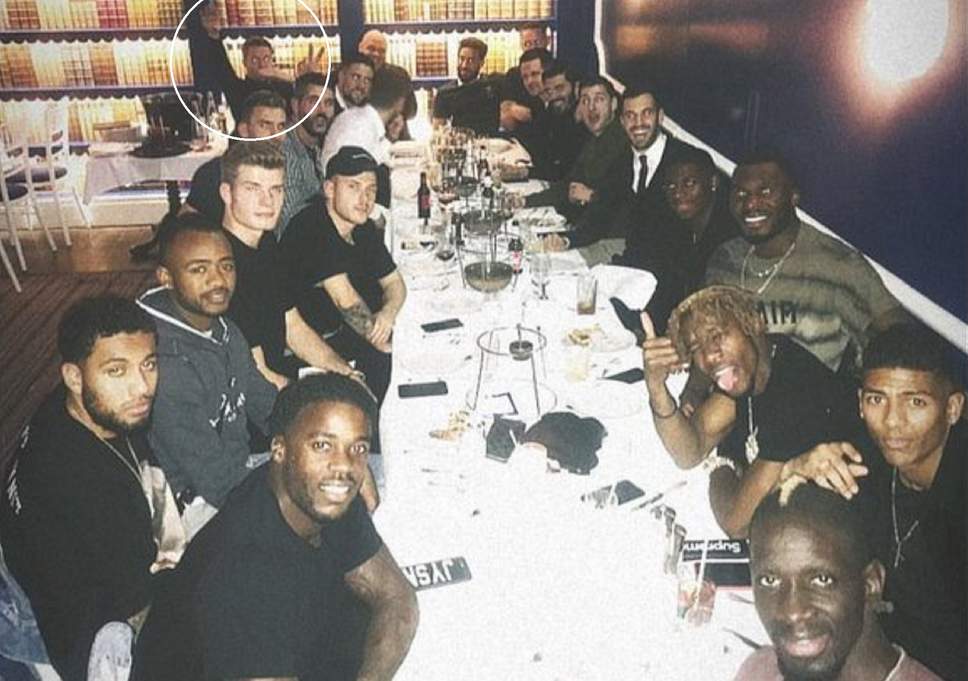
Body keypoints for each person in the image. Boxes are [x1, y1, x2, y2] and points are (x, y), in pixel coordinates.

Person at [132, 373, 419, 681]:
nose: (343, 466)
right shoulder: (245, 575)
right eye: (322, 445)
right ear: (279, 449)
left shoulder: (318, 493)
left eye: (357, 448)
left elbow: (397, 599)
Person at [0, 296, 183, 681]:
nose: (142, 387)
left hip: (31, 565)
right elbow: (139, 602)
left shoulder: (75, 407)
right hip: (81, 634)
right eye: (117, 371)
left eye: (149, 364)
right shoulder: (80, 483)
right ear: (73, 376)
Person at [778, 324, 965, 680]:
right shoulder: (863, 458)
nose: (893, 422)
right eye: (877, 399)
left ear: (952, 408)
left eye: (916, 402)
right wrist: (795, 472)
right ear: (861, 404)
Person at [641, 285, 862, 538]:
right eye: (695, 349)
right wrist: (656, 389)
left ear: (753, 324)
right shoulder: (754, 365)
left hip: (836, 536)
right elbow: (688, 451)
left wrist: (719, 465)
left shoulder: (797, 394)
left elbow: (736, 523)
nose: (709, 357)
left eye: (716, 336)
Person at [705, 149, 908, 374]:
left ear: (793, 197)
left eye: (765, 192)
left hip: (808, 394)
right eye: (741, 194)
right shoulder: (724, 260)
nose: (751, 204)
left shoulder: (836, 264)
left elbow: (903, 340)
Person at [138, 213, 277, 533]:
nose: (218, 281)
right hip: (196, 508)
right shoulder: (164, 362)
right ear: (166, 277)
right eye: (199, 269)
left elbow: (268, 406)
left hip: (239, 472)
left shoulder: (224, 330)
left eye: (226, 266)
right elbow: (217, 482)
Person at [736, 482, 941, 680]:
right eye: (769, 581)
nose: (793, 612)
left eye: (821, 580)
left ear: (871, 585)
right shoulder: (759, 670)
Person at [281, 147, 407, 405]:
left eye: (371, 189)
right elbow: (347, 302)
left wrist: (388, 313)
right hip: (312, 354)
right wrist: (390, 347)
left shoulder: (361, 227)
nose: (365, 198)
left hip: (346, 335)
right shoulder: (311, 228)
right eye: (353, 186)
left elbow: (395, 282)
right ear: (329, 189)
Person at [622, 146, 738, 334]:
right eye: (671, 186)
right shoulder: (677, 224)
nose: (677, 194)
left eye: (689, 183)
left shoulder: (728, 235)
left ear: (713, 182)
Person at [526, 76, 628, 248]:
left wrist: (567, 240)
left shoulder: (623, 144)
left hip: (611, 241)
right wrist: (524, 201)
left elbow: (618, 208)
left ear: (614, 104)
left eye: (599, 99)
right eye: (585, 101)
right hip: (584, 233)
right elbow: (567, 186)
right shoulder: (594, 139)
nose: (591, 107)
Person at [183, 89, 288, 224]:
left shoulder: (285, 166)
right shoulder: (215, 173)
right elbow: (184, 227)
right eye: (264, 125)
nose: (275, 135)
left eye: (280, 127)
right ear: (244, 130)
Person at [322, 68, 411, 207]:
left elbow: (374, 158)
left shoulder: (360, 118)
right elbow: (355, 189)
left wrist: (389, 139)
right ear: (401, 102)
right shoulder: (361, 127)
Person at [276, 72, 337, 237]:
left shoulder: (315, 147)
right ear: (295, 106)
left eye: (328, 103)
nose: (322, 111)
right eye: (314, 101)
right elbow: (290, 219)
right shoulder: (285, 150)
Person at [432, 37, 503, 135]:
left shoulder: (493, 85)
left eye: (470, 60)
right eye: (461, 59)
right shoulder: (444, 93)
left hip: (490, 142)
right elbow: (438, 132)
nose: (464, 65)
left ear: (481, 63)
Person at [532, 62, 587, 181]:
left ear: (576, 88)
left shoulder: (586, 120)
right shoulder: (551, 112)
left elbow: (567, 171)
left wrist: (526, 172)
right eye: (548, 91)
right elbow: (539, 152)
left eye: (559, 88)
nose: (554, 96)